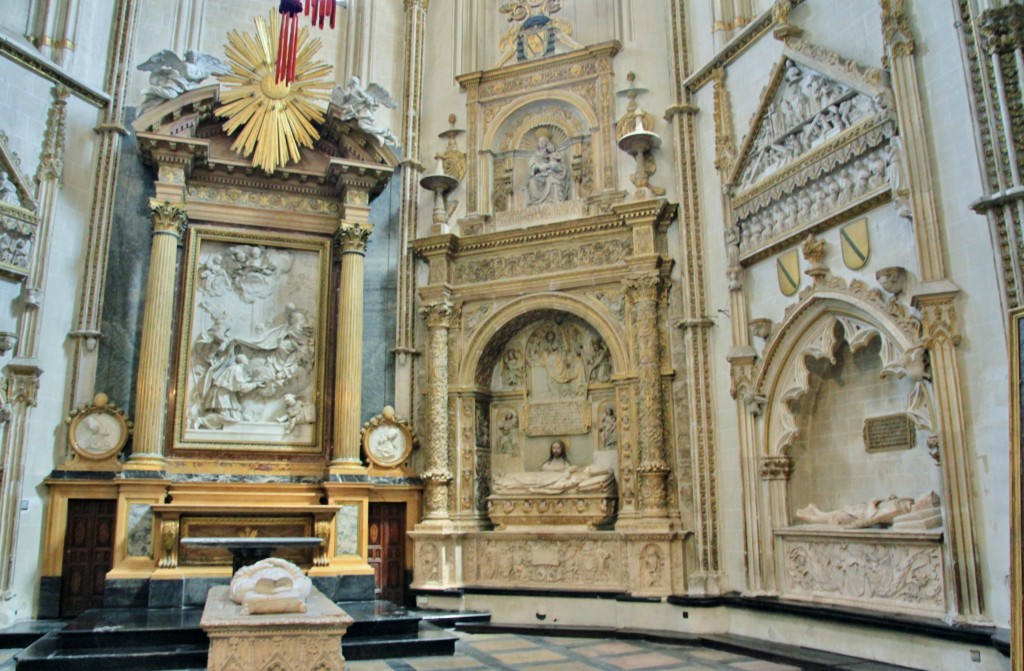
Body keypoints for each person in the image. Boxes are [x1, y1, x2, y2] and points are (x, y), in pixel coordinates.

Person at [526, 129, 571, 206]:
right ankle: (540, 202)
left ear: (547, 143)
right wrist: (540, 167)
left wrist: (551, 165)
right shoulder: (535, 156)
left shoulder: (552, 153)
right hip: (539, 176)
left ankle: (555, 201)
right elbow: (532, 169)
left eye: (543, 142)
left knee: (552, 179)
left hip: (550, 174)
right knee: (532, 181)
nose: (541, 143)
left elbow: (559, 166)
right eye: (540, 142)